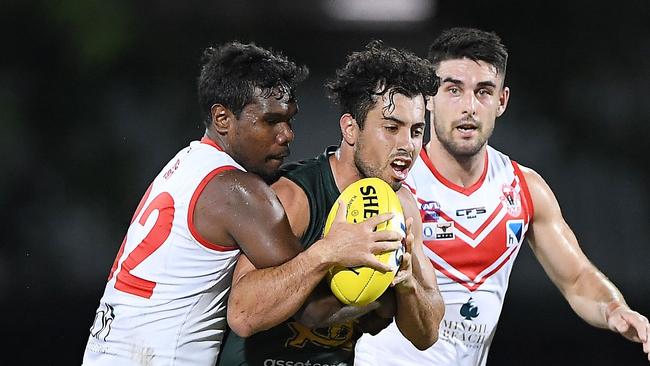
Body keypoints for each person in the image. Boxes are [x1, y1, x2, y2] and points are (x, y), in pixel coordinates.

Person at [81, 41, 405, 366]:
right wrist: (351, 266)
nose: (287, 134)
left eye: (289, 120)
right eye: (270, 120)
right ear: (222, 118)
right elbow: (310, 309)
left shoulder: (184, 164)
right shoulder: (241, 192)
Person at [354, 27, 650, 365]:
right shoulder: (390, 181)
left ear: (501, 101)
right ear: (428, 98)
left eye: (483, 92)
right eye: (453, 90)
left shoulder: (525, 188)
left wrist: (614, 309)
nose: (469, 107)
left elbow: (578, 277)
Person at [217, 40, 445, 366]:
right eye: (392, 128)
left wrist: (407, 285)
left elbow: (428, 333)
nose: (407, 145)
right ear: (351, 128)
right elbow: (241, 314)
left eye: (416, 131)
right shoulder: (294, 196)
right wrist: (327, 252)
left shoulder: (402, 206)